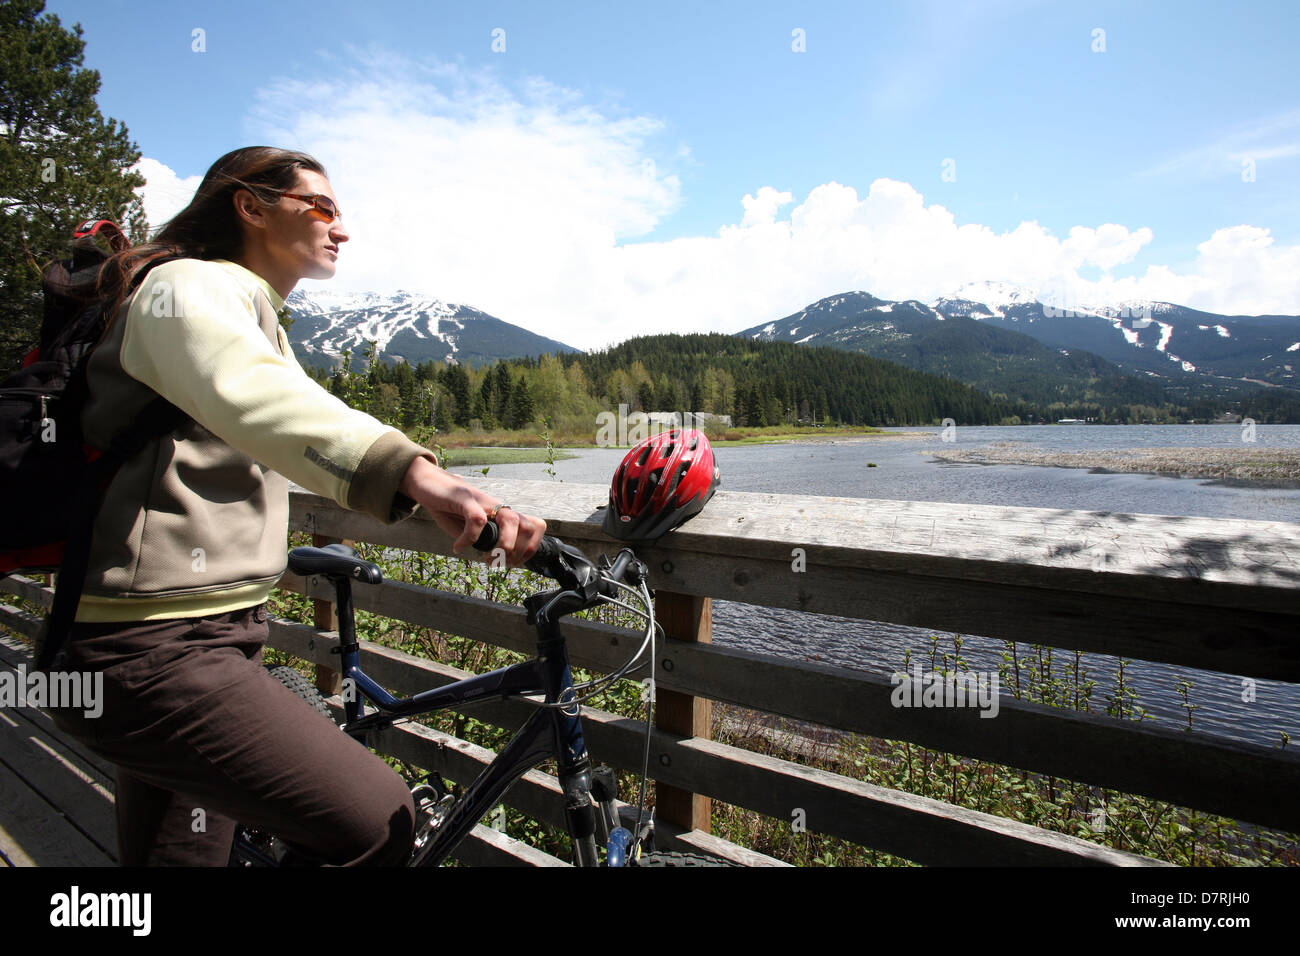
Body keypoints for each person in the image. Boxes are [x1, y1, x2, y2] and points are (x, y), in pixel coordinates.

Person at [48, 146, 546, 866]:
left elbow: (276, 419)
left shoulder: (238, 303)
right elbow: (252, 394)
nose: (340, 227)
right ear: (249, 206)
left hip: (181, 643)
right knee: (380, 824)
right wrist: (414, 473)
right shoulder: (187, 287)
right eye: (321, 207)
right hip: (152, 654)